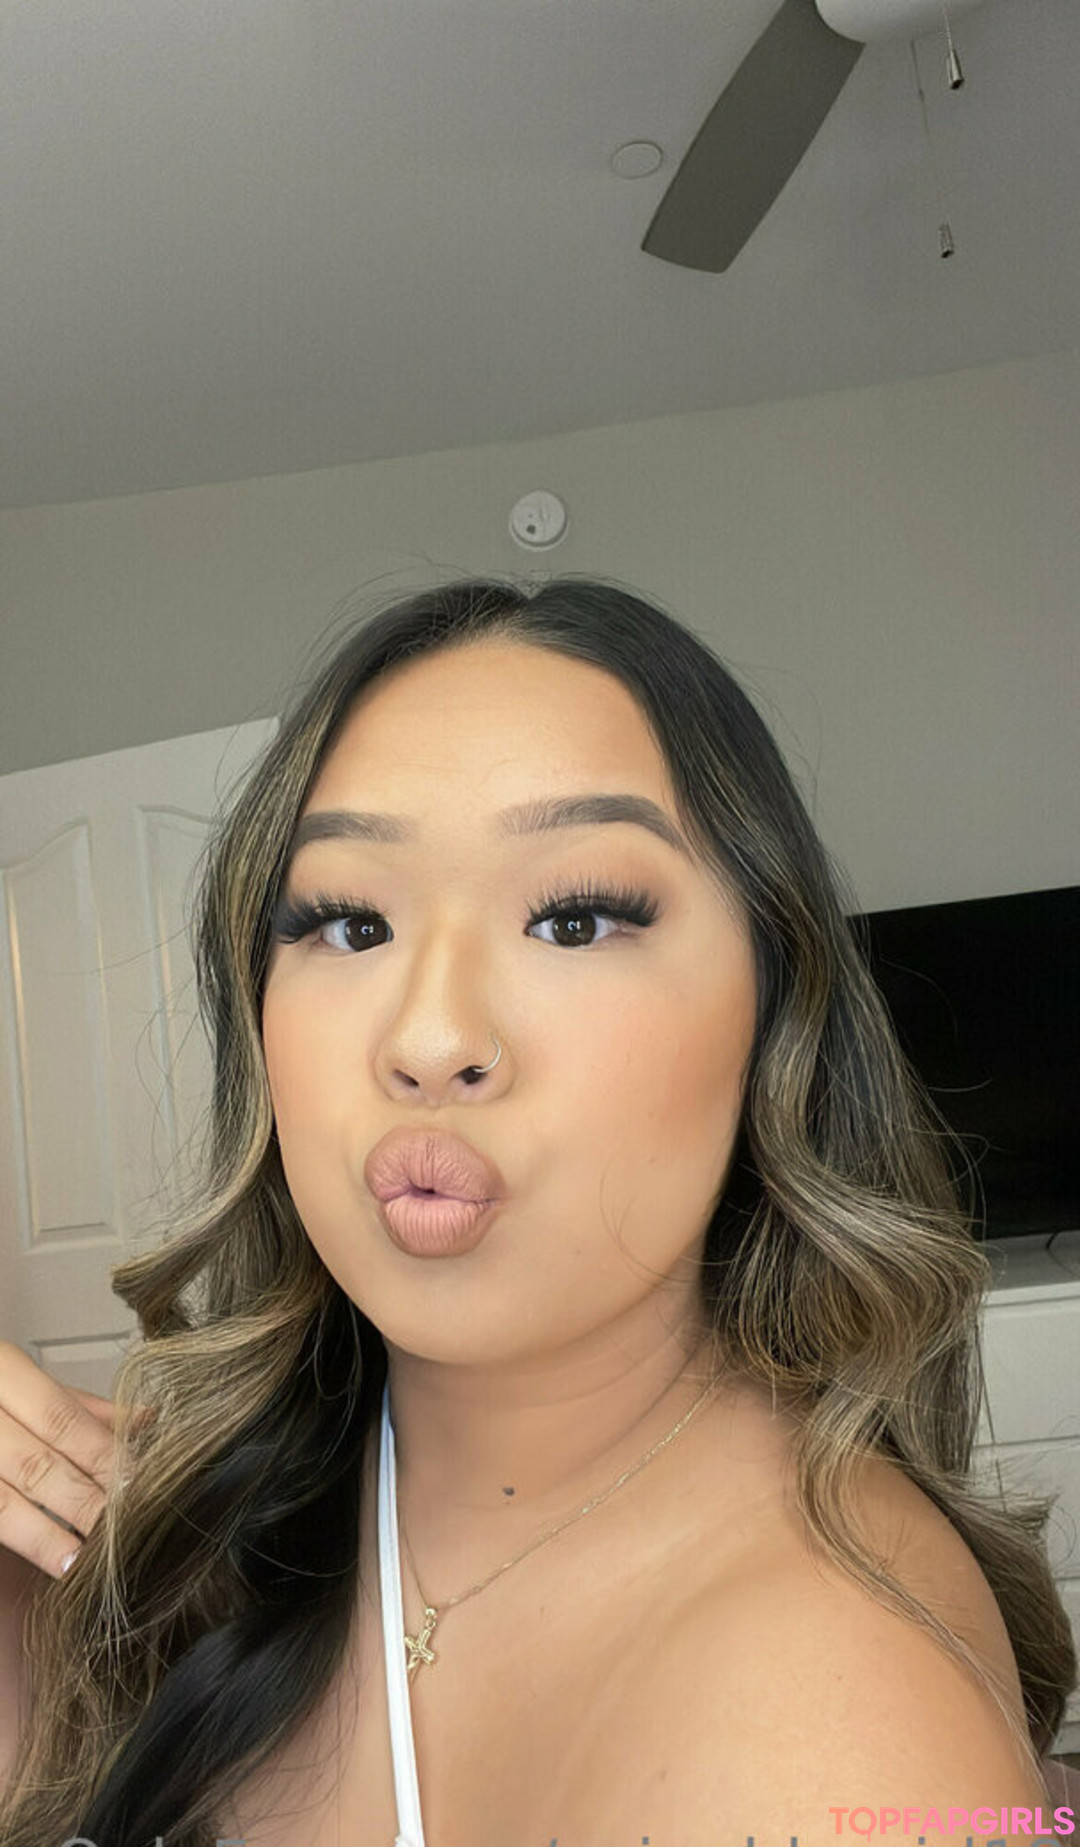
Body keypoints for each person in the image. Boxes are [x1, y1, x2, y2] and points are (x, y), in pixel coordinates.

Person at [0, 575, 1075, 1847]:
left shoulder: (847, 1727)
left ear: (774, 1011)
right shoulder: (230, 1503)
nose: (431, 1036)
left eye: (574, 918)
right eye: (349, 920)